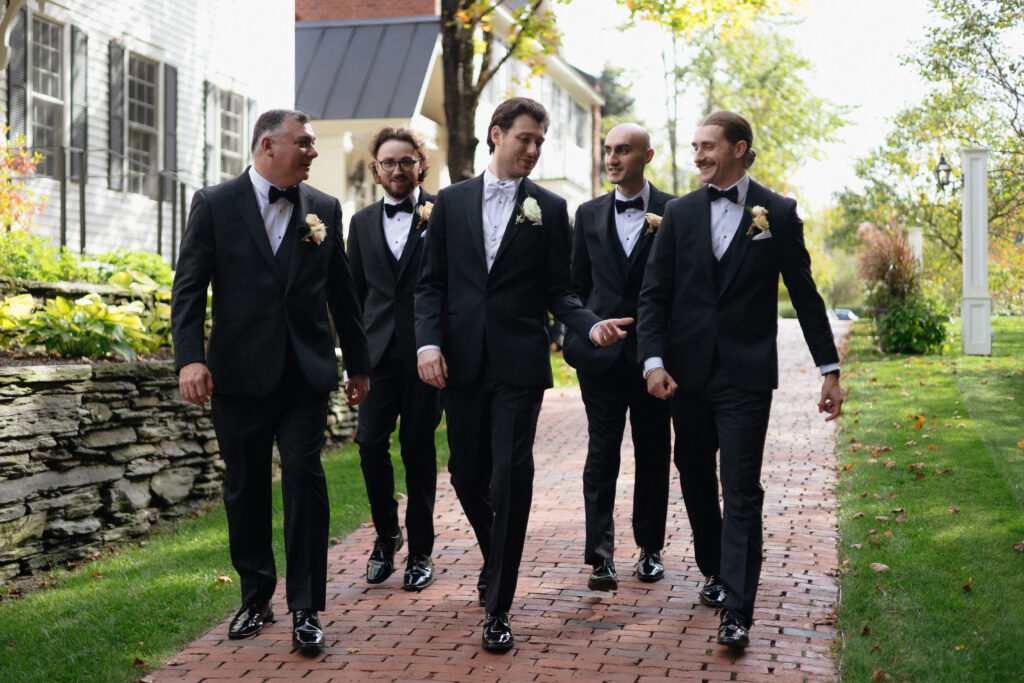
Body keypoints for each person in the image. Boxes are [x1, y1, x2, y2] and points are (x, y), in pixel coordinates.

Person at [415, 97, 632, 653]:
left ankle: (499, 607)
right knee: (465, 471)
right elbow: (431, 285)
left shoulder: (550, 208)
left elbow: (559, 290)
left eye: (540, 141)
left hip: (518, 362)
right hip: (459, 361)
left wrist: (589, 326)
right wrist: (429, 343)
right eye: (525, 139)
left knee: (512, 473)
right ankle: (498, 554)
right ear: (495, 135)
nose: (533, 150)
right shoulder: (451, 202)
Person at [637, 110, 842, 649]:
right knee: (694, 472)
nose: (698, 155)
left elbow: (804, 293)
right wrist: (652, 361)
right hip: (686, 373)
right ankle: (715, 568)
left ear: (738, 147)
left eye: (707, 146)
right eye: (695, 146)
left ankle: (737, 610)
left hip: (747, 374)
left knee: (743, 486)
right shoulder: (678, 215)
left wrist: (830, 370)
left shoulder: (777, 212)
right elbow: (654, 296)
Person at [171, 109, 370, 652]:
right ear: (267, 146)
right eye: (303, 143)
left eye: (311, 144)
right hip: (237, 375)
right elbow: (188, 288)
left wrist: (359, 365)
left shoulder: (325, 209)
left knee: (306, 480)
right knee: (246, 487)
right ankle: (256, 596)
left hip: (305, 375)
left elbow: (343, 298)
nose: (312, 152)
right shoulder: (214, 205)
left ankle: (306, 608)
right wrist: (190, 358)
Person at [564, 123, 674, 592]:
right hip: (601, 358)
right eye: (607, 150)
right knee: (602, 452)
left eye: (623, 151)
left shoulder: (675, 210)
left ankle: (650, 549)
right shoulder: (587, 214)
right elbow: (573, 286)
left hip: (654, 360)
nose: (612, 159)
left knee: (653, 452)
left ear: (646, 155)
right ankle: (600, 556)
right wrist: (591, 324)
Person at [347, 127, 441, 592]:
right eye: (389, 162)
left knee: (418, 449)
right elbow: (355, 294)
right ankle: (387, 535)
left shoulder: (442, 213)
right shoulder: (360, 223)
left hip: (427, 356)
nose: (398, 169)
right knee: (368, 444)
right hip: (377, 355)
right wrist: (355, 360)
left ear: (421, 164)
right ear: (376, 169)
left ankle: (421, 551)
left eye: (407, 161)